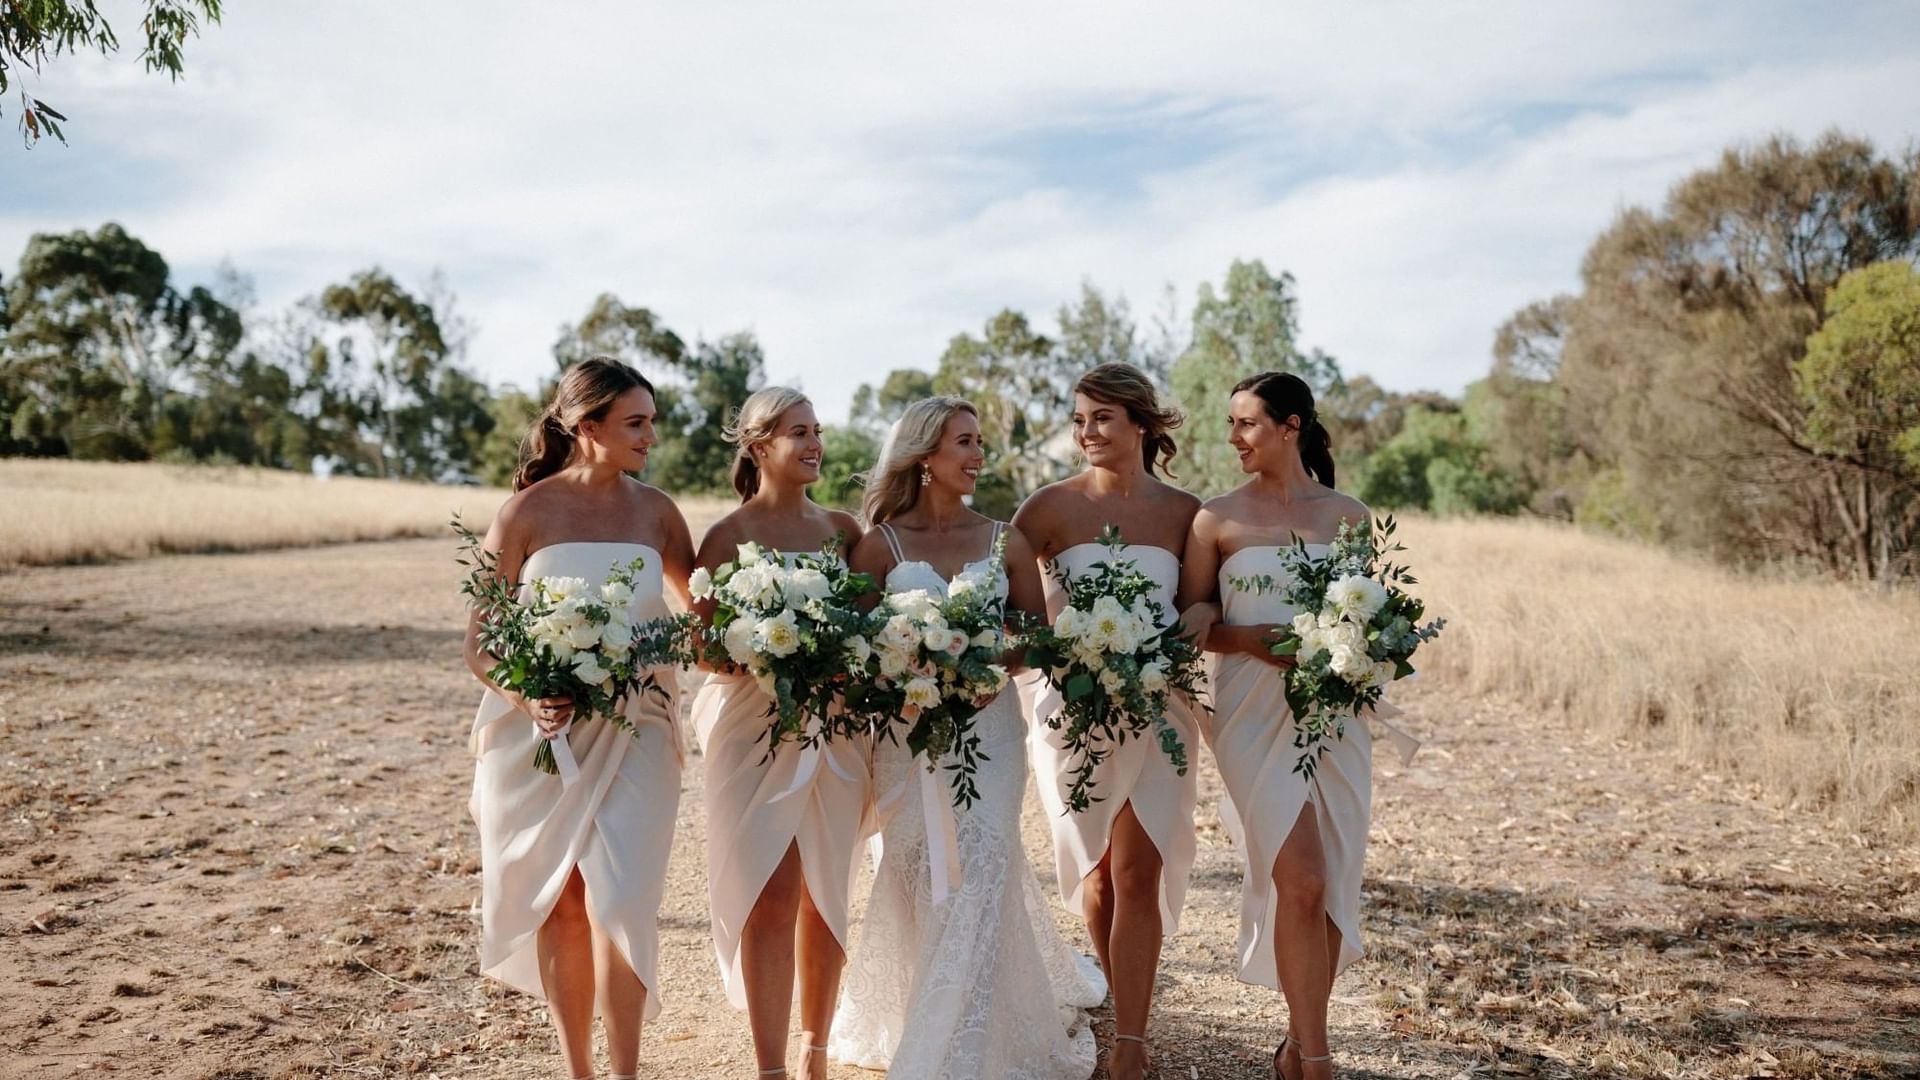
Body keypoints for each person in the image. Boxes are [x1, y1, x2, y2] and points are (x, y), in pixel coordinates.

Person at [831, 396, 1105, 1080]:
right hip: (907, 733)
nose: (979, 455)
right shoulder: (879, 545)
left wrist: (991, 667)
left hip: (990, 729)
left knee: (983, 858)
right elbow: (855, 646)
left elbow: (1035, 635)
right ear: (925, 456)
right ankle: (922, 1004)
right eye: (965, 442)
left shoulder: (1003, 539)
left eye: (980, 442)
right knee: (915, 863)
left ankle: (957, 1045)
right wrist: (905, 671)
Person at [464, 356, 695, 1080]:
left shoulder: (657, 512)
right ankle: (579, 1072)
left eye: (652, 421)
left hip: (639, 728)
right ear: (585, 427)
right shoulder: (527, 512)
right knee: (562, 898)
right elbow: (481, 642)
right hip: (542, 735)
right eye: (636, 422)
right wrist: (527, 693)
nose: (651, 435)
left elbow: (698, 622)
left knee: (623, 898)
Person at [1175, 371, 1371, 1080]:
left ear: (1291, 427)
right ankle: (1317, 1059)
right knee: (1303, 877)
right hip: (1252, 711)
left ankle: (1296, 1044)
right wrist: (1249, 638)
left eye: (1246, 423)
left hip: (1334, 711)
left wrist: (1363, 651)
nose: (1233, 437)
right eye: (1230, 424)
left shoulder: (1349, 515)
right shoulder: (1214, 519)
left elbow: (1369, 618)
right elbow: (1194, 623)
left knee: (1329, 885)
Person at [1012, 362, 1202, 1080]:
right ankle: (1126, 1005)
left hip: (1158, 706)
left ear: (1143, 426)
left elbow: (1200, 607)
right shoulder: (1048, 508)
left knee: (1138, 868)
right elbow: (1006, 596)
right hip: (1072, 709)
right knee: (1097, 879)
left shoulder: (1187, 513)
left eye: (1102, 419)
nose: (1087, 432)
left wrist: (1197, 622)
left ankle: (1131, 1042)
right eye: (1079, 420)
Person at [688, 386, 868, 1080]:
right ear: (759, 446)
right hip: (750, 726)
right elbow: (703, 647)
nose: (815, 443)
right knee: (769, 890)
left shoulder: (844, 532)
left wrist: (833, 662)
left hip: (834, 726)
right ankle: (768, 1068)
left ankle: (816, 1049)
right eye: (799, 432)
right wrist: (766, 651)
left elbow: (870, 631)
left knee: (825, 888)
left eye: (817, 429)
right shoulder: (727, 537)